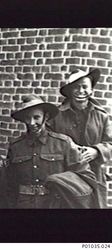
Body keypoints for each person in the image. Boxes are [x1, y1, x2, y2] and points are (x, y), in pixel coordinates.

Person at [6, 95, 96, 208]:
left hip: (53, 204)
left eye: (36, 117)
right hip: (23, 204)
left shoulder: (63, 143)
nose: (32, 122)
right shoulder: (16, 146)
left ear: (46, 117)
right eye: (28, 118)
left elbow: (84, 175)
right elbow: (9, 183)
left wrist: (60, 181)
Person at [48, 68, 112, 208]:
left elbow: (110, 143)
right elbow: (48, 140)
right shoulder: (56, 115)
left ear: (91, 90)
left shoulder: (102, 116)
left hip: (93, 174)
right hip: (64, 174)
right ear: (70, 91)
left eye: (85, 87)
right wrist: (69, 149)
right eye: (76, 87)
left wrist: (97, 151)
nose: (80, 91)